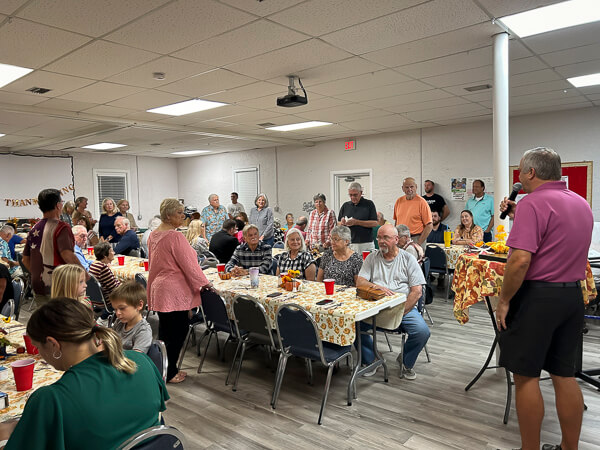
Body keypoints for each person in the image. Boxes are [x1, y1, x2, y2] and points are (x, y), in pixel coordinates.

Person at [495, 147, 594, 450]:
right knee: (564, 375)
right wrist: (517, 214)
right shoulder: (581, 203)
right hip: (571, 298)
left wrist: (504, 300)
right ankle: (569, 447)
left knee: (526, 377)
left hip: (538, 298)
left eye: (521, 170)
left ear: (531, 173)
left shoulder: (532, 203)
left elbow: (520, 261)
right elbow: (556, 236)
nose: (519, 176)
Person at [0, 298, 168, 450]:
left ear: (53, 344)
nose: (39, 353)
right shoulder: (141, 361)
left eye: (38, 347)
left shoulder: (51, 398)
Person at [148, 198, 211, 383]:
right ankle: (170, 372)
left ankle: (162, 370)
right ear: (168, 215)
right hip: (174, 291)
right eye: (179, 213)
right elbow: (190, 265)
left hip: (160, 289)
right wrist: (205, 283)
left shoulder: (154, 234)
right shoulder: (175, 236)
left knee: (165, 332)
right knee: (177, 333)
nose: (183, 217)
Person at [356, 224, 428, 379]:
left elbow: (417, 292)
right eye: (379, 237)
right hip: (375, 307)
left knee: (422, 332)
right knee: (352, 325)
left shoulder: (408, 259)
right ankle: (371, 358)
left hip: (402, 308)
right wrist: (376, 286)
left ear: (396, 239)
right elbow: (360, 282)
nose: (381, 241)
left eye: (386, 238)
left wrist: (401, 312)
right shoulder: (371, 258)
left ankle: (405, 361)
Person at [22, 189, 82, 305]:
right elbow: (67, 254)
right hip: (59, 285)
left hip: (38, 285)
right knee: (64, 320)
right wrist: (83, 272)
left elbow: (25, 259)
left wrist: (37, 276)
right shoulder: (62, 227)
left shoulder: (34, 228)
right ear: (58, 205)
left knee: (46, 320)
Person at [110, 282, 152, 354]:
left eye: (122, 308)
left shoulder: (143, 331)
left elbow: (136, 358)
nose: (117, 313)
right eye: (115, 309)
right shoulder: (119, 322)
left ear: (139, 305)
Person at [338, 182, 378, 252]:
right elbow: (338, 223)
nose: (353, 197)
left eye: (355, 195)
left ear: (361, 192)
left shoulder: (369, 204)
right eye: (350, 195)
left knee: (367, 262)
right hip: (350, 243)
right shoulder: (345, 205)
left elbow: (374, 223)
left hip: (366, 243)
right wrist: (342, 223)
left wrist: (357, 222)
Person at [393, 177, 432, 246]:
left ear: (416, 187)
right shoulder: (398, 201)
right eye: (407, 187)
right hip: (400, 239)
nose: (409, 189)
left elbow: (429, 226)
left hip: (416, 238)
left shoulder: (422, 202)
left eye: (411, 187)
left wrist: (418, 243)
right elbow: (396, 221)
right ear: (402, 188)